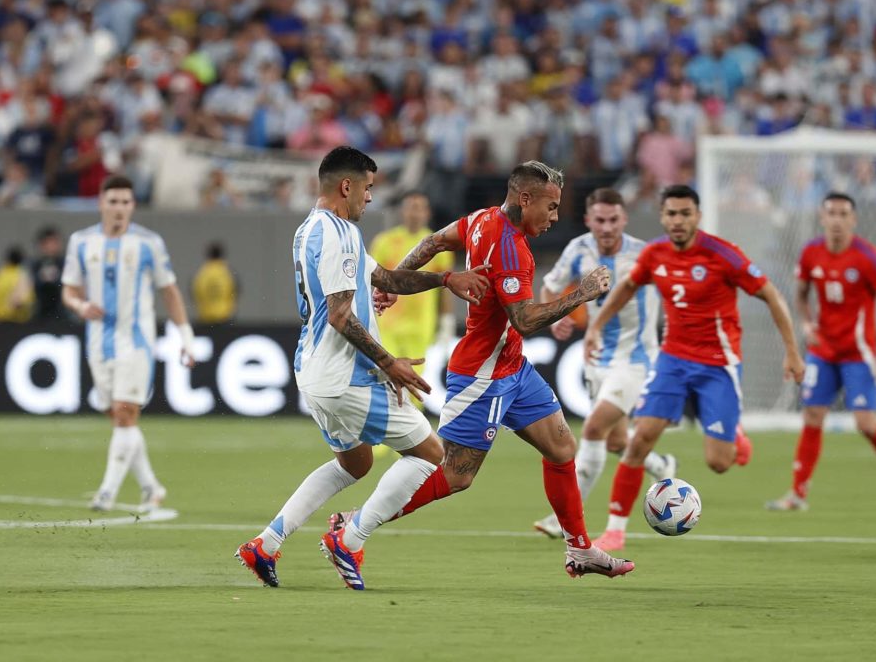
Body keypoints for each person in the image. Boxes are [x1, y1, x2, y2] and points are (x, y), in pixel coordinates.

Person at [350, 160, 637, 580]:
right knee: (454, 476)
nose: (555, 217)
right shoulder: (510, 247)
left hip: (513, 367)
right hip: (483, 373)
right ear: (525, 199)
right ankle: (356, 523)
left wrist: (393, 282)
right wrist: (583, 293)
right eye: (551, 206)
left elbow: (431, 242)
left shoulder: (482, 219)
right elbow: (523, 318)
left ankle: (579, 550)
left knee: (561, 449)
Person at [233, 146, 490, 590]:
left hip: (313, 372)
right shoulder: (339, 234)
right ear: (346, 186)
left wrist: (447, 278)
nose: (371, 198)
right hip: (345, 377)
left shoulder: (312, 230)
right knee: (434, 456)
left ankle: (266, 544)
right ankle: (350, 539)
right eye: (368, 188)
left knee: (355, 463)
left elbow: (387, 279)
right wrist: (389, 363)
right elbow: (339, 314)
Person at [586, 184, 804, 550]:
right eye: (671, 214)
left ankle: (734, 437)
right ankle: (615, 530)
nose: (678, 220)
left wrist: (793, 352)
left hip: (717, 364)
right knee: (640, 439)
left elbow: (771, 294)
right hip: (672, 360)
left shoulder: (723, 255)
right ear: (663, 217)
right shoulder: (655, 254)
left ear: (697, 217)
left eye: (685, 214)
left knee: (719, 463)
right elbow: (627, 286)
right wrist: (595, 325)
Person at [531, 187, 674, 540]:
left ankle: (562, 518)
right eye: (600, 220)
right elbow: (549, 288)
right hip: (596, 359)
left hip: (637, 359)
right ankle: (661, 465)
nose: (607, 227)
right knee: (614, 441)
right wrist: (554, 316)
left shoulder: (644, 254)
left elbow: (674, 295)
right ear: (588, 220)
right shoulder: (578, 250)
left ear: (624, 220)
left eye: (613, 220)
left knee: (593, 429)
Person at [61, 175, 196, 513]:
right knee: (119, 418)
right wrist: (80, 307)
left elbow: (170, 291)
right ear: (101, 203)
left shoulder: (149, 243)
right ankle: (151, 486)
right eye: (113, 201)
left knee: (125, 413)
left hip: (135, 341)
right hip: (98, 342)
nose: (119, 208)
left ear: (133, 205)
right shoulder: (81, 242)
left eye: (125, 202)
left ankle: (107, 492)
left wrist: (186, 336)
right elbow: (69, 290)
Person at [767, 192, 876, 511]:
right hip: (823, 350)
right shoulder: (811, 253)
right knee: (813, 415)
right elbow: (800, 294)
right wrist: (806, 323)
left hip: (858, 353)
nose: (838, 220)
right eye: (832, 213)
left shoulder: (868, 257)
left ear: (853, 220)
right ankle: (798, 494)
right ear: (822, 217)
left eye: (844, 214)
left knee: (865, 424)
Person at [369, 191, 456, 371]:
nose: (414, 213)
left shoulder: (439, 244)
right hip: (388, 323)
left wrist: (446, 320)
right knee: (388, 376)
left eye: (419, 208)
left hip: (421, 324)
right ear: (402, 211)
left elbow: (445, 287)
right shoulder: (384, 242)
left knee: (414, 378)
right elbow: (371, 282)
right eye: (410, 208)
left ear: (427, 213)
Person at [191, 242, 238, 324]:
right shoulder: (228, 272)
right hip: (225, 318)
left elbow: (194, 293)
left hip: (205, 318)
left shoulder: (201, 273)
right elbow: (235, 292)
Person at [31, 226, 66, 322]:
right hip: (38, 316)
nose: (52, 247)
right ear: (42, 245)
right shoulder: (33, 265)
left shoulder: (66, 264)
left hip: (62, 316)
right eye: (49, 243)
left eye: (55, 242)